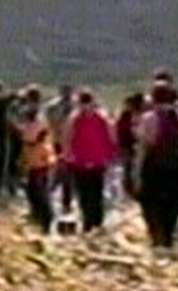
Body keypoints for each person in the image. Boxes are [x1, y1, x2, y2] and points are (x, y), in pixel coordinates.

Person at [133, 82, 178, 248]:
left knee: (150, 200)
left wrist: (137, 173)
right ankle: (168, 235)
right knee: (172, 201)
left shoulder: (148, 118)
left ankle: (155, 234)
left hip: (154, 166)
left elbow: (143, 147)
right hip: (177, 166)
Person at [64, 89, 116, 233]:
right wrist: (111, 154)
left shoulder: (75, 117)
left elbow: (67, 138)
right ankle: (94, 222)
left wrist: (67, 155)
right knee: (94, 192)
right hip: (93, 160)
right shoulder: (101, 116)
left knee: (87, 193)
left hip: (83, 160)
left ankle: (91, 222)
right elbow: (112, 136)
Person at [17, 85, 56, 233]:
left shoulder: (37, 114)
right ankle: (37, 216)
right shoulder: (31, 113)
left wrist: (22, 131)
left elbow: (35, 135)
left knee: (39, 190)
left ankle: (45, 220)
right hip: (33, 157)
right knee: (32, 189)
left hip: (40, 156)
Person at [45, 84, 75, 212]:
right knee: (59, 170)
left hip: (72, 143)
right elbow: (49, 121)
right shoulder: (53, 106)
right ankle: (52, 195)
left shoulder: (76, 105)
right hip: (58, 141)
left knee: (68, 172)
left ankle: (65, 200)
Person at [115, 92, 145, 199]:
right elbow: (120, 131)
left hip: (131, 145)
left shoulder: (132, 115)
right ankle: (130, 191)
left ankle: (133, 191)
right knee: (129, 169)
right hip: (128, 146)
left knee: (131, 168)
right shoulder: (126, 115)